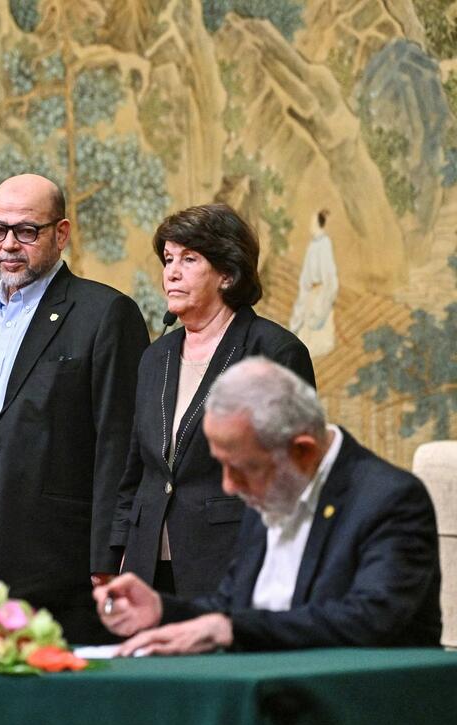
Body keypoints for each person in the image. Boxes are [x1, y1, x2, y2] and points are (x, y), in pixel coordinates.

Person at [96, 357, 442, 654]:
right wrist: (162, 610)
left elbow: (370, 620)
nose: (229, 485)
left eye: (242, 469)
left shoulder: (389, 499)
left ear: (302, 450)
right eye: (222, 466)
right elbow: (234, 606)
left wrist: (232, 629)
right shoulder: (272, 488)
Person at [0, 173, 149, 644]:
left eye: (27, 231)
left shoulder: (104, 313)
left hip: (59, 555)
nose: (9, 244)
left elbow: (118, 444)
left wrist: (109, 554)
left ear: (61, 233)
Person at [112, 204, 315, 599]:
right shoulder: (156, 356)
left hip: (230, 560)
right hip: (146, 562)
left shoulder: (273, 352)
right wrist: (118, 550)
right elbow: (136, 470)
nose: (172, 272)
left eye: (189, 259)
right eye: (168, 258)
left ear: (227, 273)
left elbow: (292, 477)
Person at [288, 209, 339, 359]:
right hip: (310, 292)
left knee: (316, 326)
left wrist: (324, 295)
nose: (310, 225)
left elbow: (328, 273)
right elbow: (306, 273)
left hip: (319, 292)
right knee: (304, 331)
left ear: (318, 224)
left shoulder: (324, 243)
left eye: (312, 222)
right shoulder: (312, 245)